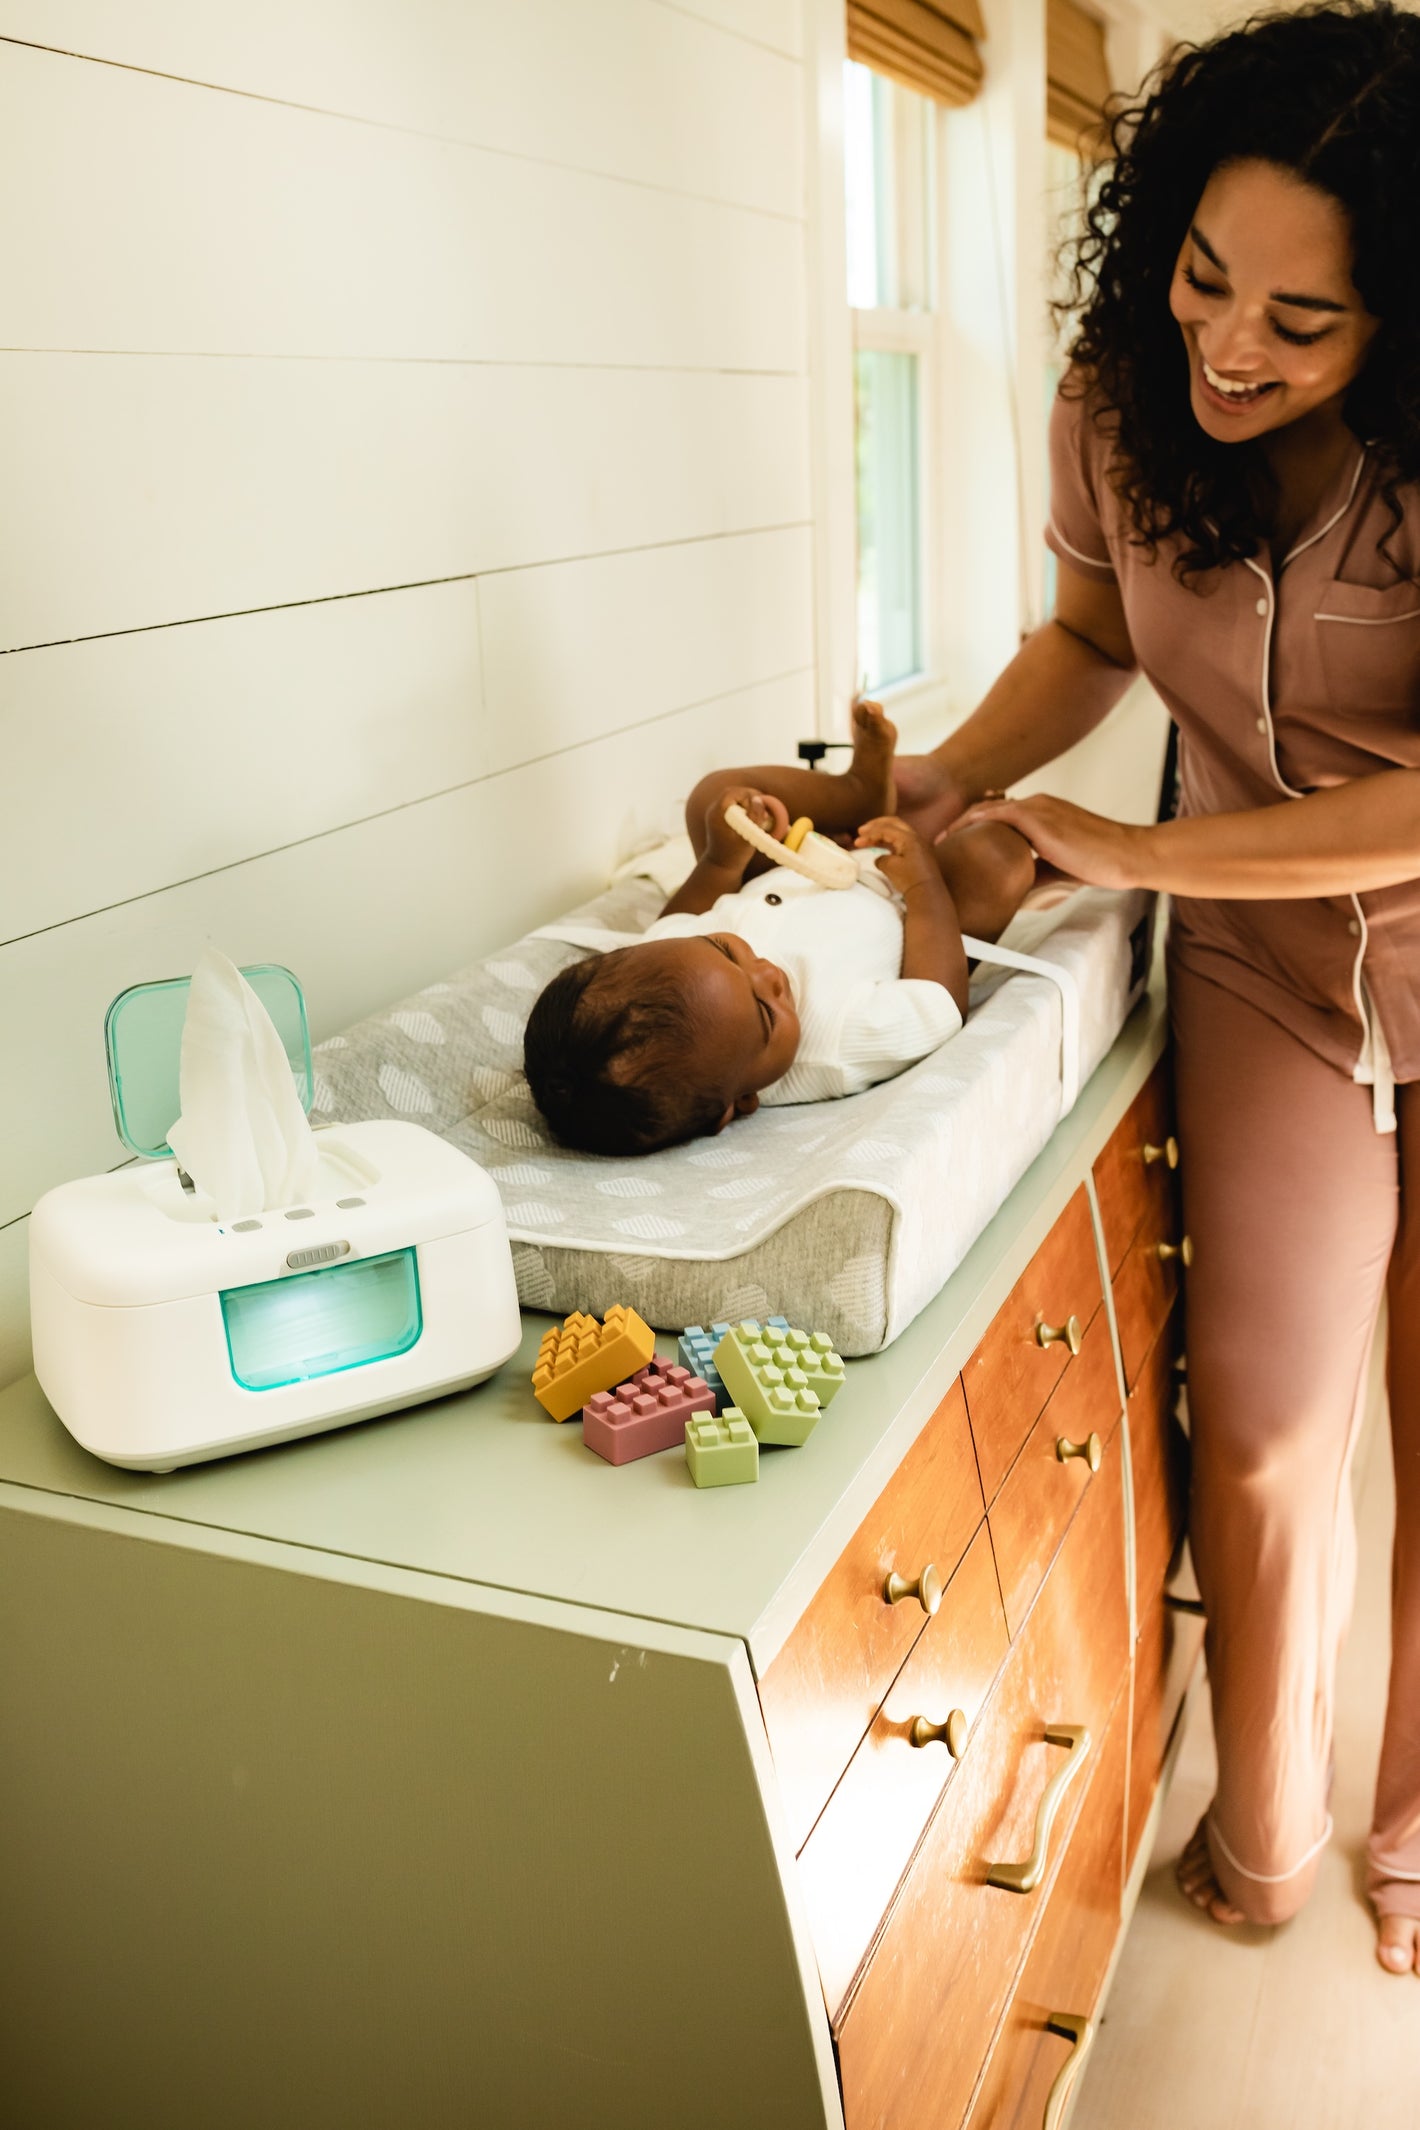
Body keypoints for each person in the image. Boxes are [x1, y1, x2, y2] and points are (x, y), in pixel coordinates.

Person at [890, 0, 1420, 1975]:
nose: (1226, 345)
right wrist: (938, 774)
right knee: (1270, 1431)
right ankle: (1259, 1829)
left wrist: (1125, 851)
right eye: (1203, 279)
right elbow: (1085, 641)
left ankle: (1414, 1834)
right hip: (1274, 983)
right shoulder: (1119, 399)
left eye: (1301, 323)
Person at [523, 704, 1035, 1153]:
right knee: (997, 858)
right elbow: (937, 1003)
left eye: (724, 949)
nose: (768, 973)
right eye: (767, 1015)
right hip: (914, 913)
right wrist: (924, 887)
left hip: (798, 861)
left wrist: (724, 858)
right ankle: (966, 824)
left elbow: (684, 913)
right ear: (739, 1103)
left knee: (714, 798)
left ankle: (859, 792)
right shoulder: (835, 1046)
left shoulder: (667, 956)